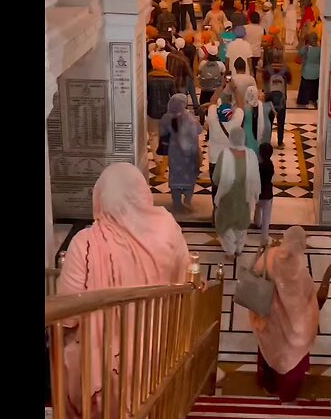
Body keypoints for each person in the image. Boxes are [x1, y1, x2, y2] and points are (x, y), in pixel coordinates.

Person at [57, 163, 189, 419]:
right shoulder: (167, 226)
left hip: (102, 367)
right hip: (157, 353)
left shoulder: (85, 245)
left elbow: (67, 317)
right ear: (142, 191)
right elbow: (184, 279)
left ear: (100, 197)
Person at [249, 226, 331, 406]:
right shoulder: (300, 274)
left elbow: (253, 277)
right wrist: (327, 277)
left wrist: (262, 252)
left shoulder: (270, 255)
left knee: (268, 357)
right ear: (302, 247)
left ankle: (267, 387)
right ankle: (287, 397)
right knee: (290, 371)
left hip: (268, 327)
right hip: (293, 340)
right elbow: (315, 304)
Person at [212, 125, 260, 261]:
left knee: (225, 223)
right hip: (244, 196)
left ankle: (230, 250)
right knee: (241, 223)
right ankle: (239, 248)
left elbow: (216, 178)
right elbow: (256, 177)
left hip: (227, 196)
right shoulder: (251, 155)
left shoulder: (224, 155)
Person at [161, 95, 201, 214]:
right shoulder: (189, 117)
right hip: (190, 152)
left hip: (174, 152)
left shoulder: (166, 117)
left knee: (175, 174)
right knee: (189, 175)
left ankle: (176, 203)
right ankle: (188, 201)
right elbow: (199, 130)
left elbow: (163, 132)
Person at [206, 90, 242, 189]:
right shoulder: (235, 123)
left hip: (214, 160)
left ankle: (216, 204)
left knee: (215, 187)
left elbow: (212, 101)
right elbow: (241, 106)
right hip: (229, 160)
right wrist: (235, 89)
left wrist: (221, 86)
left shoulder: (213, 121)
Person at [146, 54, 175, 153]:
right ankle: (165, 159)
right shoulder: (170, 79)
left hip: (152, 111)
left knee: (153, 136)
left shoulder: (148, 79)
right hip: (166, 112)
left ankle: (158, 161)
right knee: (166, 135)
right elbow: (174, 96)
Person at [263, 43, 291, 147]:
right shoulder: (285, 68)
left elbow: (265, 82)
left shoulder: (268, 69)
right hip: (282, 98)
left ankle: (267, 141)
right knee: (281, 120)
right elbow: (289, 81)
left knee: (268, 120)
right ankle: (280, 142)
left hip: (269, 97)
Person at [254, 144, 275, 249]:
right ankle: (264, 237)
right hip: (268, 193)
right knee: (266, 217)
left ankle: (257, 222)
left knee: (257, 208)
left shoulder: (258, 165)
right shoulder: (270, 165)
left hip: (258, 192)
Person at [243, 85, 274, 154]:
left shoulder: (244, 107)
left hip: (246, 130)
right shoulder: (259, 104)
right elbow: (261, 121)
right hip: (256, 131)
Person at [296, 32, 322, 109]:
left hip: (306, 71)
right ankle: (313, 99)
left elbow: (299, 54)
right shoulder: (320, 49)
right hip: (317, 72)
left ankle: (303, 100)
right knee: (315, 87)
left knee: (305, 87)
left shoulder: (305, 48)